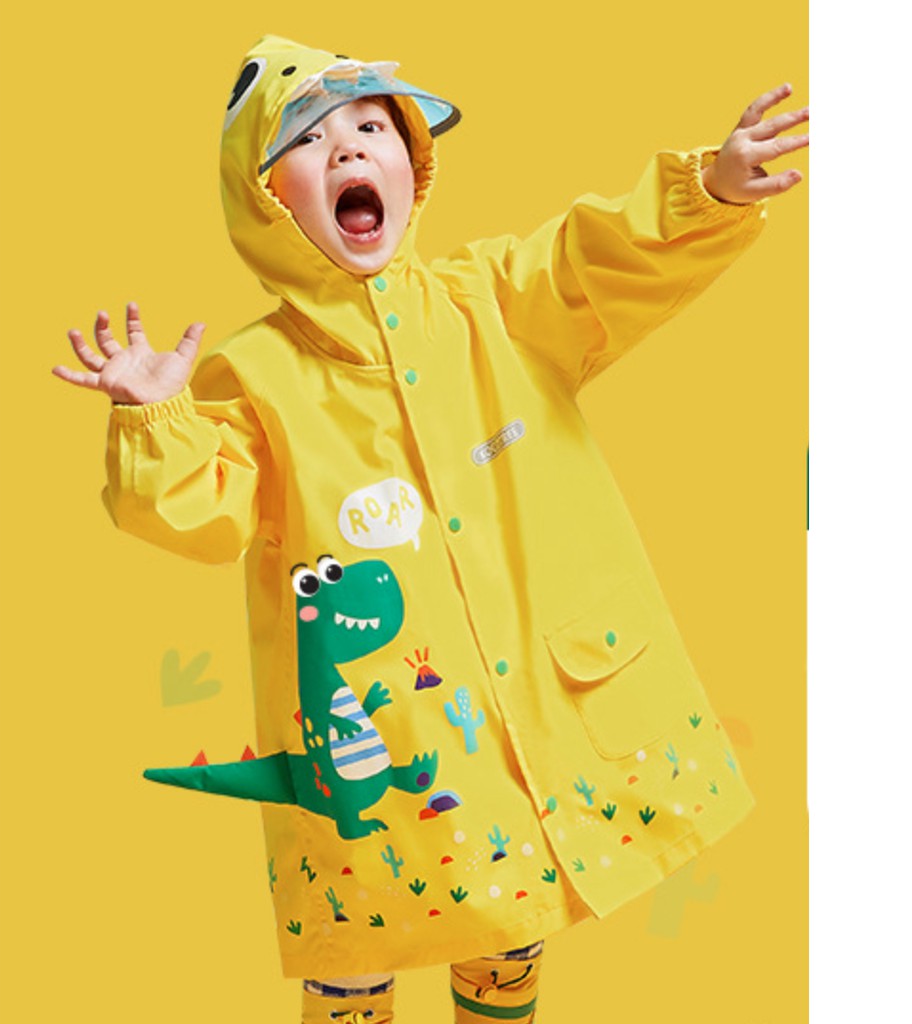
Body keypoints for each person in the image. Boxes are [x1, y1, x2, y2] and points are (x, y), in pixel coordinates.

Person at [54, 35, 807, 1024]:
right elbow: (196, 511)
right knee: (356, 952)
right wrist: (156, 416)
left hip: (523, 716)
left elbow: (598, 258)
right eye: (308, 140)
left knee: (510, 919)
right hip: (377, 741)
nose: (347, 149)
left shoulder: (496, 299)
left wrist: (706, 192)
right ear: (266, 198)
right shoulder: (256, 374)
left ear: (413, 163)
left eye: (372, 127)